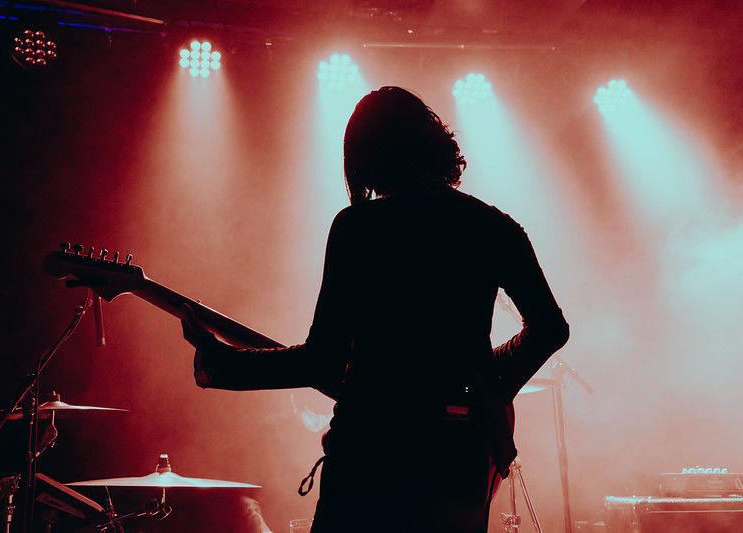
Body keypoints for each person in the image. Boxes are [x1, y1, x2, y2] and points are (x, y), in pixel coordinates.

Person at [181, 86, 569, 532]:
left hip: (369, 457)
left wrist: (220, 363)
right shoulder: (495, 227)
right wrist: (486, 382)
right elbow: (550, 329)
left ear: (366, 157)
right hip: (458, 456)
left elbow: (322, 359)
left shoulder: (357, 227)